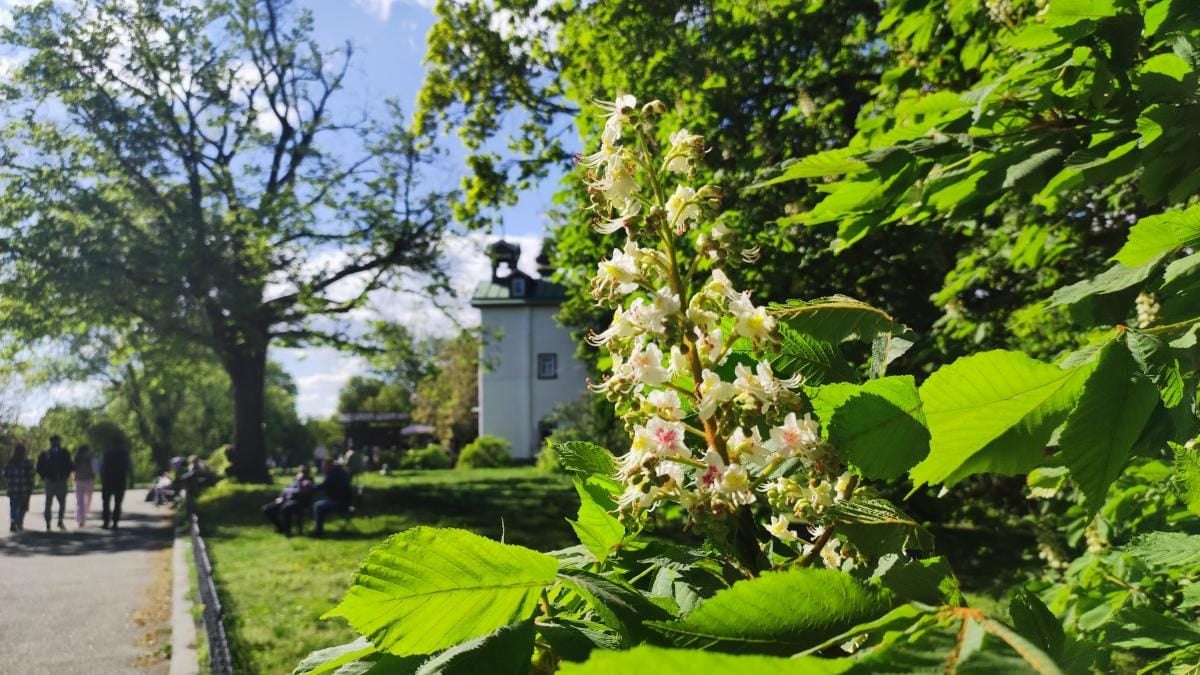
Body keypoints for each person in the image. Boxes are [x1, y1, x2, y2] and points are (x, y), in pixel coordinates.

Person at [262, 464, 313, 536]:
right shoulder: (295, 480)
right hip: (285, 500)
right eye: (300, 471)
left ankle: (287, 531)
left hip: (298, 503)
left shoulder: (308, 481)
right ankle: (280, 527)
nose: (300, 473)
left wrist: (301, 481)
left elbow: (301, 491)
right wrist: (281, 497)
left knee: (286, 507)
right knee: (267, 509)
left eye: (303, 471)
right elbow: (285, 489)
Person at [36, 435, 73, 531]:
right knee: (62, 502)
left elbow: (39, 468)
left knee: (48, 502)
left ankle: (48, 523)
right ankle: (60, 521)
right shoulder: (65, 452)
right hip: (61, 480)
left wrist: (44, 477)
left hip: (49, 480)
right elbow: (70, 465)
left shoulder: (45, 453)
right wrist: (66, 475)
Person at [99, 433, 134, 530]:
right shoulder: (125, 454)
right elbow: (129, 467)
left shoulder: (107, 453)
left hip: (108, 480)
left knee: (106, 502)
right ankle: (115, 522)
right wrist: (131, 479)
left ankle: (106, 522)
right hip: (120, 480)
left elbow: (102, 467)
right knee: (117, 502)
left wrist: (102, 478)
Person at [310, 458, 352, 538]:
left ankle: (318, 532)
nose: (323, 468)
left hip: (341, 502)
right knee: (319, 503)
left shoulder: (333, 474)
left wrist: (311, 487)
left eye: (324, 466)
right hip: (344, 500)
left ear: (329, 465)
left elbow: (324, 485)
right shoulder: (338, 472)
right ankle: (318, 529)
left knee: (318, 506)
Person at [4, 444, 35, 532]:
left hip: (13, 489)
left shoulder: (10, 462)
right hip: (23, 489)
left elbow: (5, 474)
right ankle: (19, 523)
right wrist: (30, 486)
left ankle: (13, 521)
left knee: (13, 507)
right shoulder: (26, 462)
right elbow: (31, 475)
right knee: (23, 507)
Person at [72, 444, 99, 527]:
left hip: (78, 480)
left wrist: (73, 477)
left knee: (79, 500)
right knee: (88, 499)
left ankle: (80, 517)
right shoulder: (91, 458)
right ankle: (84, 514)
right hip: (89, 480)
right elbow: (95, 470)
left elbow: (72, 469)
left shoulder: (76, 458)